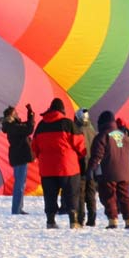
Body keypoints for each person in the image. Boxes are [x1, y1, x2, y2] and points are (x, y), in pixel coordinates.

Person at [32, 98, 85, 229]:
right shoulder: (68, 124)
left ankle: (50, 221)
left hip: (47, 169)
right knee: (72, 192)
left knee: (49, 195)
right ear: (62, 110)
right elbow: (80, 145)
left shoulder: (41, 126)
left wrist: (43, 158)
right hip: (68, 167)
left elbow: (34, 148)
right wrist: (81, 157)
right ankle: (73, 221)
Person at [89, 110, 129, 229]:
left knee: (108, 196)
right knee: (125, 196)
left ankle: (113, 220)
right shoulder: (124, 135)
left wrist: (91, 169)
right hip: (125, 173)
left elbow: (97, 155)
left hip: (108, 172)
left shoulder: (102, 136)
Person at [2, 105, 35, 215]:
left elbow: (25, 126)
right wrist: (30, 114)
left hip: (18, 156)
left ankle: (18, 208)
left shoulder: (12, 126)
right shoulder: (13, 126)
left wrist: (30, 115)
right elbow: (29, 129)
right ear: (11, 115)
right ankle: (16, 209)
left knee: (21, 183)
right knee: (20, 184)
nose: (17, 114)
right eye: (15, 112)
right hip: (20, 157)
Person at [73, 109, 98, 228]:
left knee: (80, 193)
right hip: (92, 165)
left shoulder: (77, 131)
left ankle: (80, 218)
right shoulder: (93, 131)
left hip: (80, 165)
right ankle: (92, 217)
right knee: (91, 192)